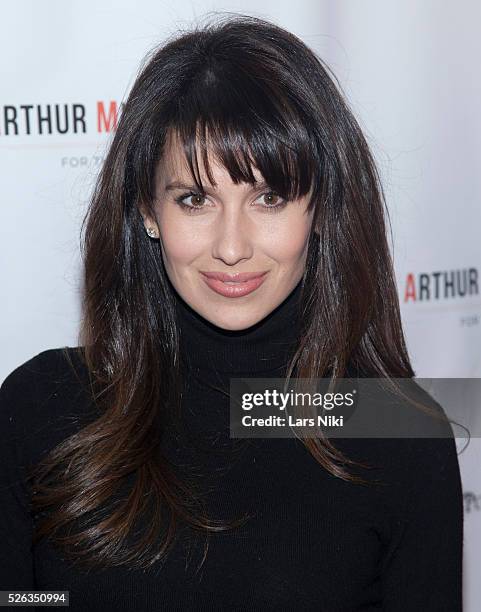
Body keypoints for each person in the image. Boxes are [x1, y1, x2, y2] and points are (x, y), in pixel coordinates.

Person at [0, 12, 463, 611]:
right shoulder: (40, 407)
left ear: (321, 208)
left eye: (269, 197)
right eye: (195, 199)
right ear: (147, 210)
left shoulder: (399, 429)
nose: (232, 245)